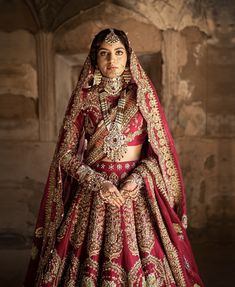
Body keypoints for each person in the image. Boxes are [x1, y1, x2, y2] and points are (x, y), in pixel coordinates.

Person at [24, 28, 204, 287]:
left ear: (128, 57)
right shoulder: (84, 100)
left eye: (119, 52)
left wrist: (138, 178)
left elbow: (158, 156)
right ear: (95, 59)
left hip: (136, 193)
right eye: (104, 54)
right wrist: (98, 182)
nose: (112, 60)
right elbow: (64, 155)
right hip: (94, 192)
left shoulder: (143, 99)